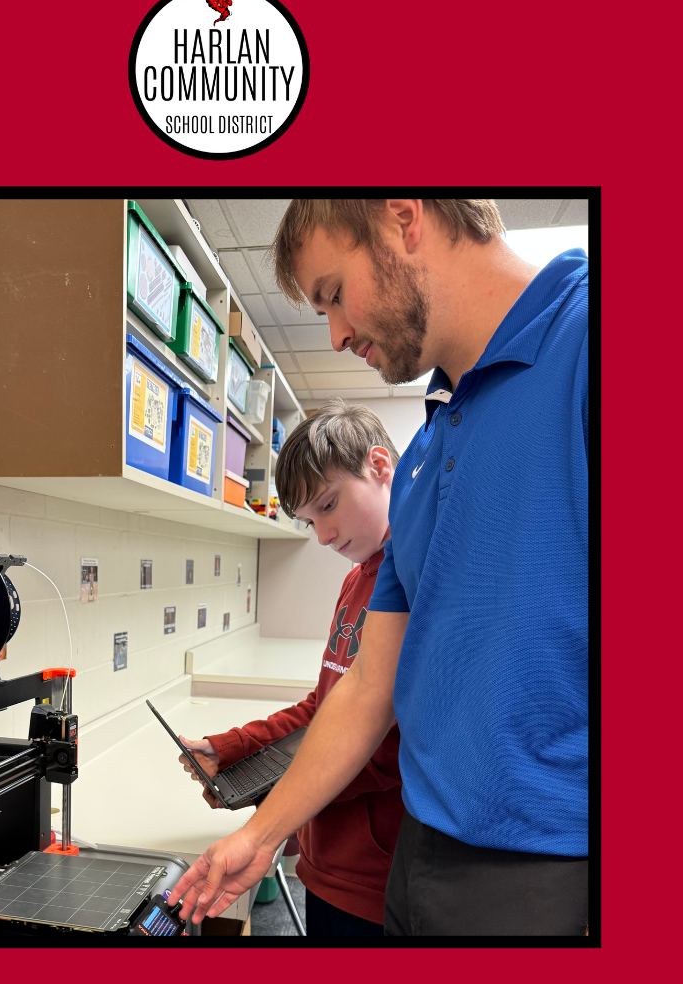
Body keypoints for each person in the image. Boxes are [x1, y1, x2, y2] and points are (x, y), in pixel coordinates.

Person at [168, 199, 588, 936]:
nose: (335, 335)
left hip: (552, 869)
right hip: (421, 860)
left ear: (403, 216)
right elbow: (367, 685)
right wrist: (259, 837)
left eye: (333, 293)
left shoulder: (588, 342)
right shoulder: (428, 455)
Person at [178, 400, 404, 936]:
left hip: (375, 874)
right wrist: (233, 748)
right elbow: (326, 708)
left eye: (328, 505)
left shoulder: (412, 581)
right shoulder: (356, 581)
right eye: (309, 520)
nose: (322, 536)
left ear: (379, 467)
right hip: (327, 860)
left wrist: (268, 800)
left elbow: (381, 743)